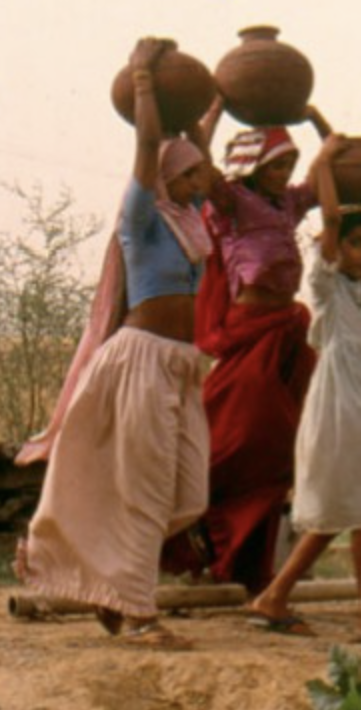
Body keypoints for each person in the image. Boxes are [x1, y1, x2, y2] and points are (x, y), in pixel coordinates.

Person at [14, 38, 215, 649]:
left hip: (180, 367)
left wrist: (214, 105)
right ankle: (137, 613)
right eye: (195, 172)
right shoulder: (142, 215)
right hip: (141, 362)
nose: (206, 177)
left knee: (187, 488)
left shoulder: (191, 221)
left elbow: (192, 147)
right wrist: (144, 77)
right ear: (170, 176)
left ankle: (110, 588)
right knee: (146, 487)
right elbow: (149, 145)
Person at [241, 135, 361, 643]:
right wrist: (329, 161)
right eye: (353, 244)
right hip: (342, 400)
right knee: (359, 506)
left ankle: (273, 598)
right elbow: (333, 220)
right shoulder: (328, 283)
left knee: (353, 504)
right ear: (333, 245)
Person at [160, 103, 335, 593]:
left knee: (278, 447)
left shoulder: (289, 204)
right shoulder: (233, 202)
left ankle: (250, 565)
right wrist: (213, 107)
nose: (285, 175)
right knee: (240, 436)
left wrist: (316, 120)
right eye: (276, 166)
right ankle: (189, 528)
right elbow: (202, 159)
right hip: (249, 328)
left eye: (288, 166)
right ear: (255, 167)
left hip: (287, 330)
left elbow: (328, 174)